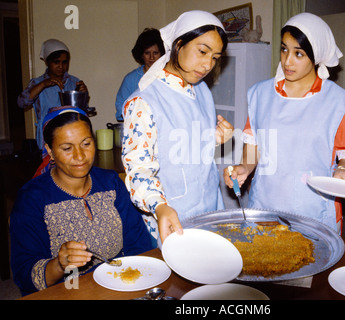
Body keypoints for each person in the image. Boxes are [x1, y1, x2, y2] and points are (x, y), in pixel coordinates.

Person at [224, 13, 345, 233]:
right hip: (265, 205)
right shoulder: (260, 94)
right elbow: (254, 147)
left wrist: (344, 169)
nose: (287, 61)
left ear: (316, 56)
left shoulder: (337, 101)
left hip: (314, 208)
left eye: (299, 53)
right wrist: (244, 167)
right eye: (284, 49)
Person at [10, 107, 156, 296]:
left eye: (86, 144)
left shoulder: (111, 183)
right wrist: (59, 264)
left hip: (117, 285)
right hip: (64, 292)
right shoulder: (32, 198)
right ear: (50, 150)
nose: (80, 156)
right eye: (67, 148)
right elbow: (24, 273)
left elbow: (138, 245)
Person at [122, 10, 233, 244]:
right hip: (171, 217)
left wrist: (216, 137)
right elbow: (139, 171)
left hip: (209, 207)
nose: (207, 65)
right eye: (202, 51)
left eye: (215, 57)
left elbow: (182, 141)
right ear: (178, 44)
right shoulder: (144, 101)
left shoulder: (200, 89)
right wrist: (160, 207)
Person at [17, 39, 89, 177]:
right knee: (49, 177)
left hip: (71, 137)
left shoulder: (74, 82)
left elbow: (82, 111)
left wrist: (83, 94)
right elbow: (21, 103)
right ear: (47, 62)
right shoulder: (37, 83)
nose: (61, 66)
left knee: (70, 174)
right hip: (46, 139)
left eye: (64, 62)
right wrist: (43, 85)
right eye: (56, 62)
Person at [115, 28, 165, 121]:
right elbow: (121, 108)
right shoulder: (130, 79)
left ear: (162, 54)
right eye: (147, 53)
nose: (151, 57)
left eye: (155, 53)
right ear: (141, 55)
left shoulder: (169, 77)